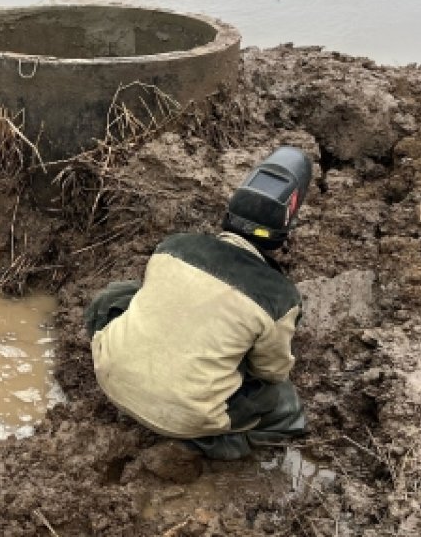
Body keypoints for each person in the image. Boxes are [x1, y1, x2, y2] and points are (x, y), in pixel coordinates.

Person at [84, 147, 312, 460]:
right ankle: (211, 444)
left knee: (117, 295)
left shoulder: (173, 246)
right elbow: (270, 371)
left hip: (109, 378)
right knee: (282, 401)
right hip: (186, 418)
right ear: (285, 229)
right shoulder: (280, 297)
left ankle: (131, 370)